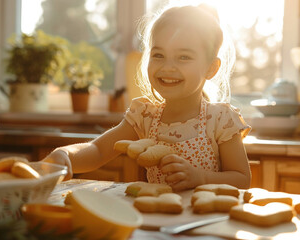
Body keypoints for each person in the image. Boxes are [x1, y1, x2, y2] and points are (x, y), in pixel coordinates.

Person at [42, 3, 251, 191]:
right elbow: (98, 150)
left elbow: (242, 179)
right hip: (157, 222)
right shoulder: (144, 117)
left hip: (207, 225)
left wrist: (201, 178)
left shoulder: (221, 120)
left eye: (183, 57)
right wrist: (65, 156)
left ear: (211, 68)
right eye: (158, 55)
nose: (167, 67)